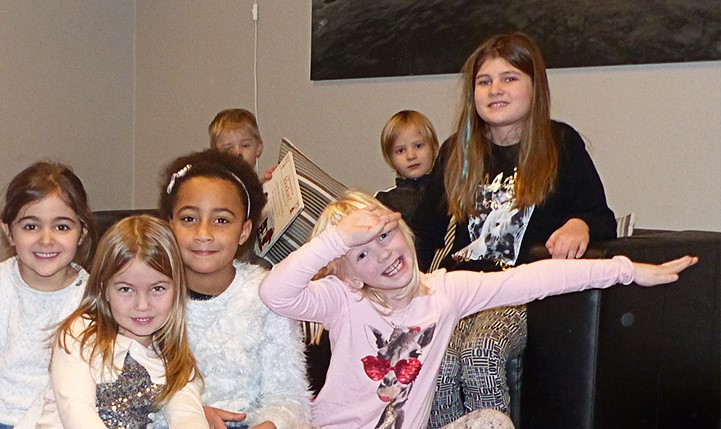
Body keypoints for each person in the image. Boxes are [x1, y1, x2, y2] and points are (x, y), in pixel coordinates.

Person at [259, 191, 696, 429]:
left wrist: (625, 270)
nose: (383, 254)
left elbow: (537, 278)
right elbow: (275, 293)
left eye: (384, 236)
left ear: (402, 230)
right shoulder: (342, 298)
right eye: (360, 252)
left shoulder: (444, 291)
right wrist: (336, 240)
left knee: (492, 423)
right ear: (350, 274)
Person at [412, 32, 618, 425]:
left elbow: (600, 215)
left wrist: (579, 224)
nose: (495, 90)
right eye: (484, 81)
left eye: (509, 78)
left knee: (481, 351)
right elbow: (423, 232)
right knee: (439, 357)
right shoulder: (457, 151)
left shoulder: (560, 143)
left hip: (519, 292)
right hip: (460, 289)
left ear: (534, 86)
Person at [157, 149, 312, 429]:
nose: (203, 233)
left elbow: (289, 398)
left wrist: (272, 424)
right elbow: (132, 395)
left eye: (221, 220)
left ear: (244, 231)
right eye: (189, 219)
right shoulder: (148, 298)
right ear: (170, 226)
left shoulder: (266, 295)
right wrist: (189, 414)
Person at [0, 161, 96, 429]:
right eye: (31, 226)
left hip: (61, 421)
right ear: (9, 232)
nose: (46, 239)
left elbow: (70, 391)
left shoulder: (92, 297)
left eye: (62, 227)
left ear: (82, 233)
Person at [37, 215, 208, 428]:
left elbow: (188, 416)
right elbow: (77, 411)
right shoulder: (80, 334)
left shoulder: (172, 356)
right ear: (104, 290)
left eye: (157, 289)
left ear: (177, 290)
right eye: (126, 289)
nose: (142, 305)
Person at [374, 110, 440, 228]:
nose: (411, 156)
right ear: (390, 158)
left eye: (418, 146)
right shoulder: (383, 202)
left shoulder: (450, 194)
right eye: (400, 151)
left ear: (433, 147)